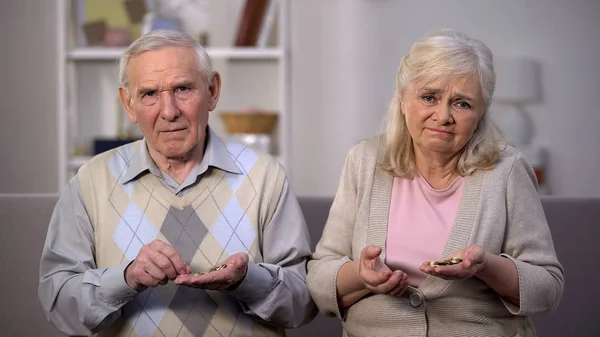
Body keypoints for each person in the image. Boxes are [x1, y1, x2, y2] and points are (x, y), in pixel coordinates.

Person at [38, 29, 316, 337]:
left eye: (183, 88)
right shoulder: (91, 181)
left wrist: (246, 280)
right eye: (149, 94)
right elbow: (58, 302)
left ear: (212, 91)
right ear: (128, 104)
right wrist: (126, 278)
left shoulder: (265, 176)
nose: (169, 112)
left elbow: (303, 302)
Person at [306, 28, 564, 337]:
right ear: (403, 100)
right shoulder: (364, 161)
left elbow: (548, 287)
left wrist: (485, 267)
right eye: (429, 97)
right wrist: (361, 276)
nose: (443, 116)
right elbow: (319, 280)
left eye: (462, 104)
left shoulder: (506, 170)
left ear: (481, 113)